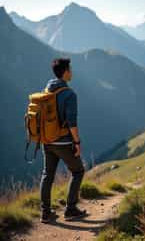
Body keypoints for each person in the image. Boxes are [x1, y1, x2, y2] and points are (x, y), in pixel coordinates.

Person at [40, 58, 86, 223]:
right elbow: (72, 122)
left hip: (47, 141)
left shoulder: (47, 90)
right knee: (78, 171)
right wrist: (77, 142)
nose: (72, 72)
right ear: (66, 72)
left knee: (47, 175)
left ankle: (45, 213)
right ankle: (71, 209)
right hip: (64, 142)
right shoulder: (69, 94)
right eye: (70, 69)